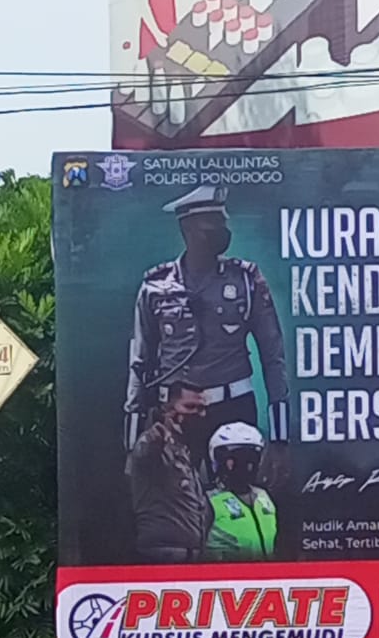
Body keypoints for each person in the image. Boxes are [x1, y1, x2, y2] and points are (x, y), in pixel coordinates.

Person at [123, 185, 290, 477]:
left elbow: (273, 357)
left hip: (233, 410)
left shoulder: (246, 281)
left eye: (222, 221)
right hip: (174, 415)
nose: (221, 230)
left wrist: (280, 438)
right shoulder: (155, 287)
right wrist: (134, 440)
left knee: (234, 504)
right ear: (186, 228)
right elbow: (140, 362)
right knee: (176, 508)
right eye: (211, 224)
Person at [126, 380, 208, 562]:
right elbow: (146, 454)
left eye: (202, 409)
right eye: (190, 407)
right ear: (168, 411)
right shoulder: (152, 443)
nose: (198, 414)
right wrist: (157, 437)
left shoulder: (187, 451)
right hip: (161, 556)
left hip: (192, 557)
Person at [205, 422, 277, 559]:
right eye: (237, 459)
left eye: (251, 459)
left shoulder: (264, 498)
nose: (246, 465)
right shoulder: (207, 500)